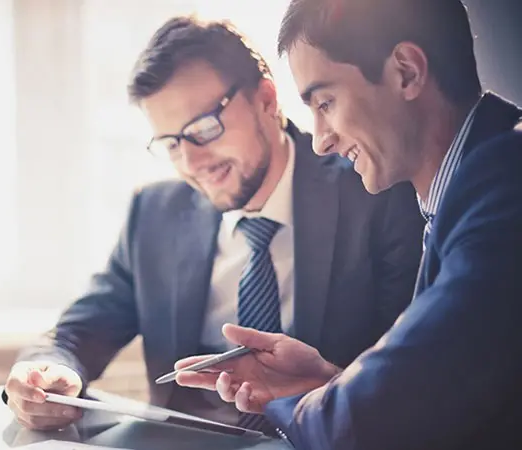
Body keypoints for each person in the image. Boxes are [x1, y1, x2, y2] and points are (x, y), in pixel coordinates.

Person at [3, 15, 424, 433]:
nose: (192, 162)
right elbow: (78, 332)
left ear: (265, 98)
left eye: (203, 128)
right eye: (171, 143)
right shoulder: (154, 214)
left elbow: (408, 378)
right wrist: (44, 373)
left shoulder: (373, 190)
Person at [173, 0, 522, 448]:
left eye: (326, 102)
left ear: (407, 72)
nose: (320, 141)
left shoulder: (505, 182)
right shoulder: (468, 187)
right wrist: (328, 383)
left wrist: (300, 405)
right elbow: (438, 396)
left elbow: (376, 415)